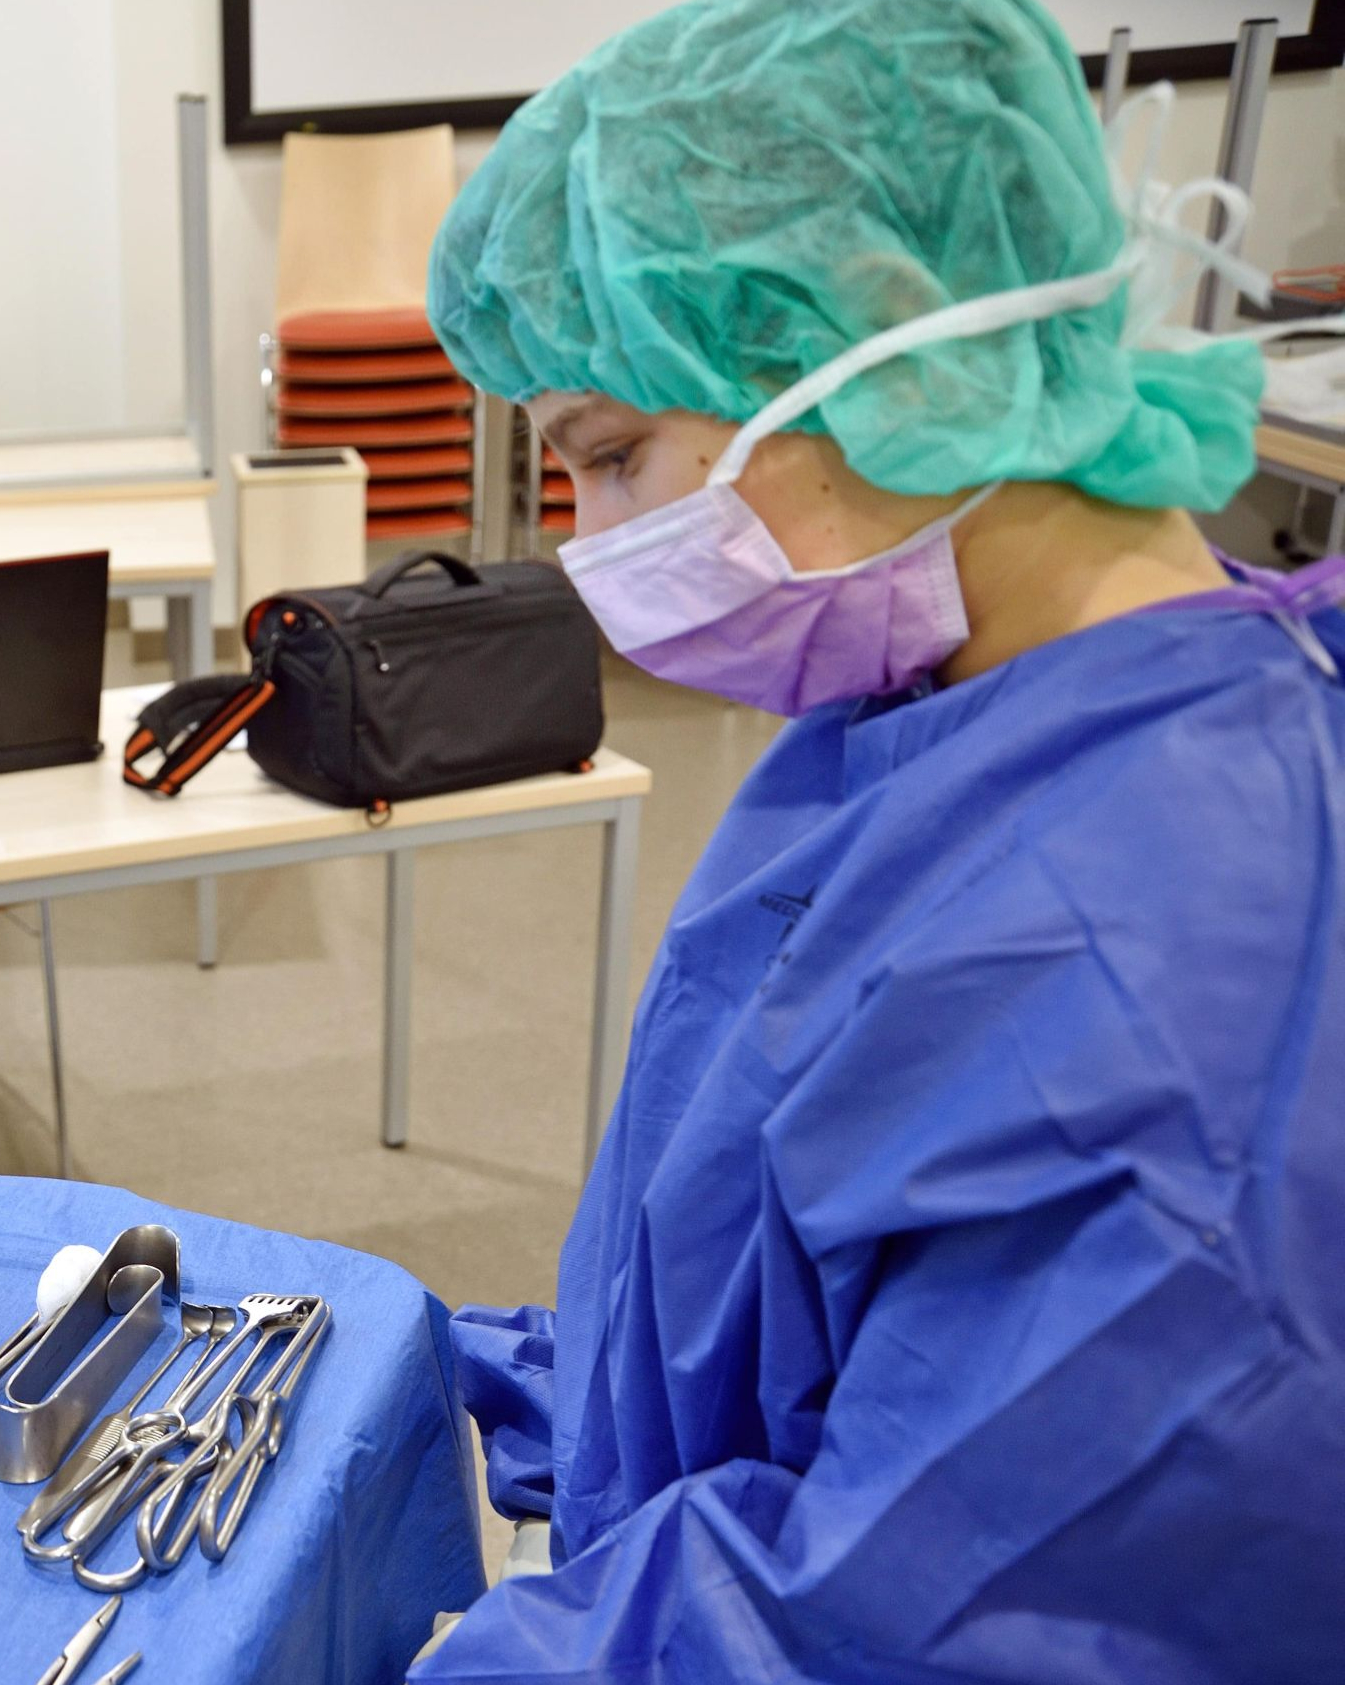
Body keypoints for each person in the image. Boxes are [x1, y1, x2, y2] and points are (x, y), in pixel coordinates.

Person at [413, 0, 1345, 1677]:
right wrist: (490, 1376)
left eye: (613, 459)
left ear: (895, 336)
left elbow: (924, 1618)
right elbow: (815, 1274)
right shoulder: (963, 701)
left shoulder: (1151, 990)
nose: (591, 543)